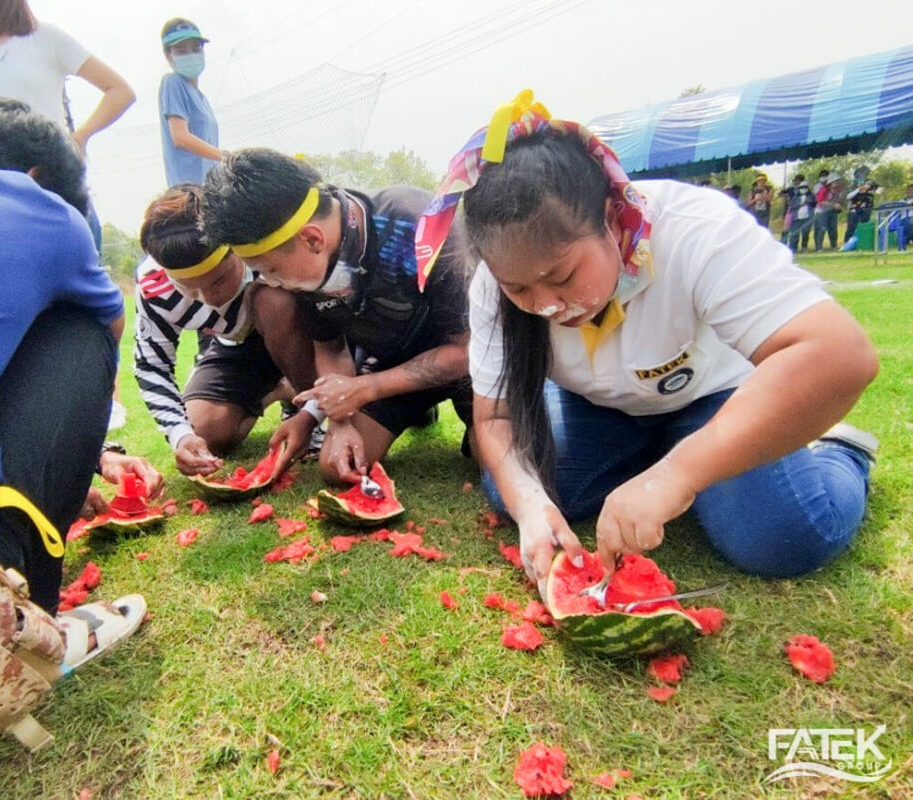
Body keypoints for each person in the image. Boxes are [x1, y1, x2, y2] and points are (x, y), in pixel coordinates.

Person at [418, 92, 879, 598]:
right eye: (520, 290)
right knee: (513, 494)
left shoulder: (694, 229)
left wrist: (677, 475)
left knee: (781, 536)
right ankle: (648, 456)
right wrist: (529, 504)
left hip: (713, 398)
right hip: (597, 407)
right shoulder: (490, 286)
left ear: (612, 218)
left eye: (564, 276)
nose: (548, 306)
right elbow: (495, 419)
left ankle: (841, 451)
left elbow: (840, 353)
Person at [0, 96, 155, 663]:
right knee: (80, 324)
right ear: (36, 177)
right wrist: (74, 457)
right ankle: (17, 604)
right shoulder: (40, 208)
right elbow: (111, 326)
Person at [201, 148, 474, 485]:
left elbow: (466, 351)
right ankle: (415, 408)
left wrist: (366, 387)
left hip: (471, 368)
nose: (269, 282)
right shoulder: (309, 269)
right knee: (338, 468)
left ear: (312, 238)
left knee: (488, 453)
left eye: (269, 269)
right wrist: (333, 420)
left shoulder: (416, 223)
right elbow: (331, 350)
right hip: (388, 368)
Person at [136, 184, 320, 477]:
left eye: (219, 280)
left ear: (238, 253)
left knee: (274, 301)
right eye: (190, 289)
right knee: (205, 430)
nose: (210, 299)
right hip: (231, 342)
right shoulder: (153, 285)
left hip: (301, 332)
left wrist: (317, 412)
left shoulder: (261, 243)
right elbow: (152, 364)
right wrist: (181, 435)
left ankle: (307, 398)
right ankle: (280, 388)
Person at [0, 0, 135, 245]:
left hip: (50, 184)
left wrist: (79, 137)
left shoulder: (47, 38)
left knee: (75, 256)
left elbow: (120, 90)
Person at [158, 18, 223, 188]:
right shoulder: (172, 83)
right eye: (182, 51)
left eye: (196, 49)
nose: (191, 55)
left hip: (209, 189)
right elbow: (180, 137)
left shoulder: (201, 98)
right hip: (188, 194)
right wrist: (225, 156)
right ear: (168, 55)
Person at [814, 171, 843, 250]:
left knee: (833, 228)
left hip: (832, 212)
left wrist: (838, 206)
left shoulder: (838, 191)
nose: (836, 183)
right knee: (822, 228)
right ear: (830, 182)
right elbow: (820, 202)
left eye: (837, 181)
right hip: (821, 212)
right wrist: (833, 205)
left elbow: (839, 201)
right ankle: (819, 248)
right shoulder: (823, 190)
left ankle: (834, 246)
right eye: (835, 181)